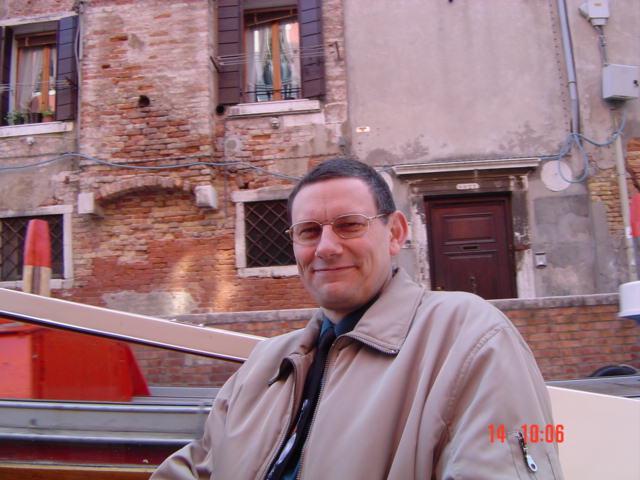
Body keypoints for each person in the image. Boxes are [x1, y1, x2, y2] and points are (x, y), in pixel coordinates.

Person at [152, 158, 564, 479]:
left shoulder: (470, 337)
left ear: (395, 233)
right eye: (308, 231)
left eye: (349, 225)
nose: (326, 248)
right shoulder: (262, 366)